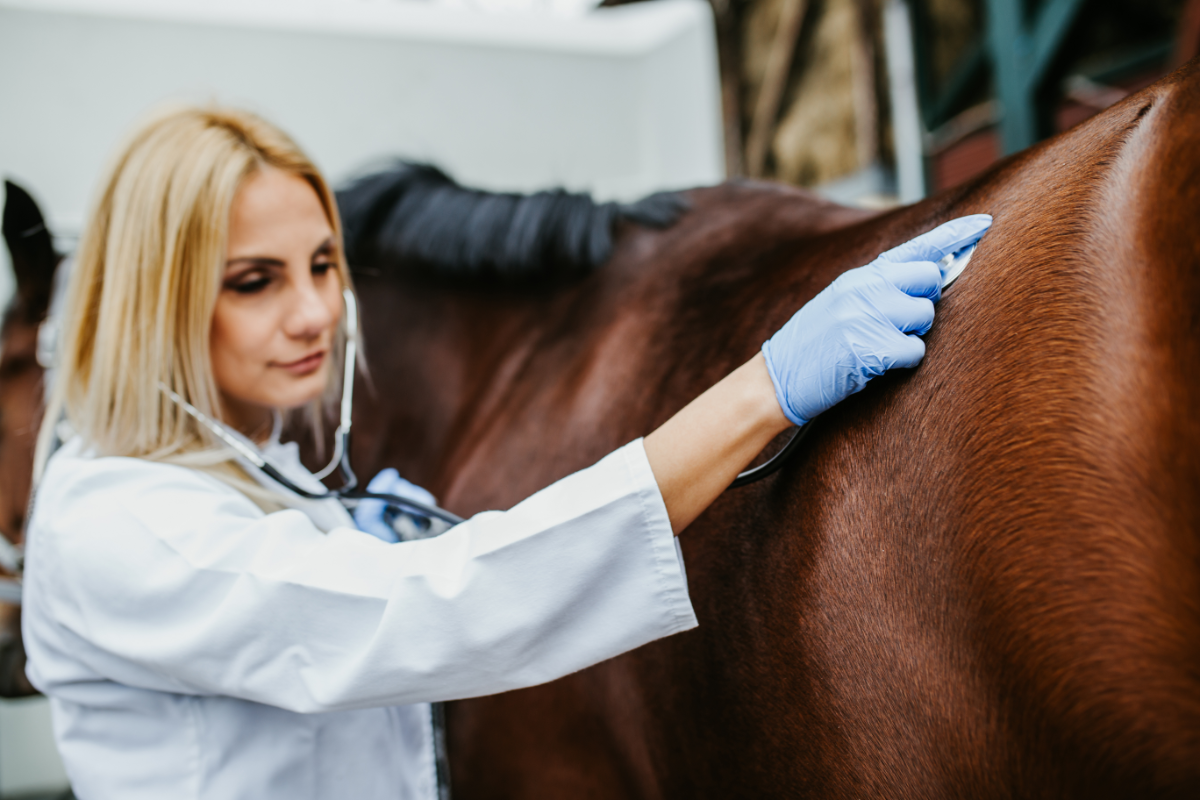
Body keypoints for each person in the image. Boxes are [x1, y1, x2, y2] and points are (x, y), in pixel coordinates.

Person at [21, 106, 990, 799]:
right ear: (158, 294)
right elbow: (432, 610)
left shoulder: (248, 479)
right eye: (253, 280)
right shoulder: (118, 525)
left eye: (322, 264)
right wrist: (761, 390)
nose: (314, 312)